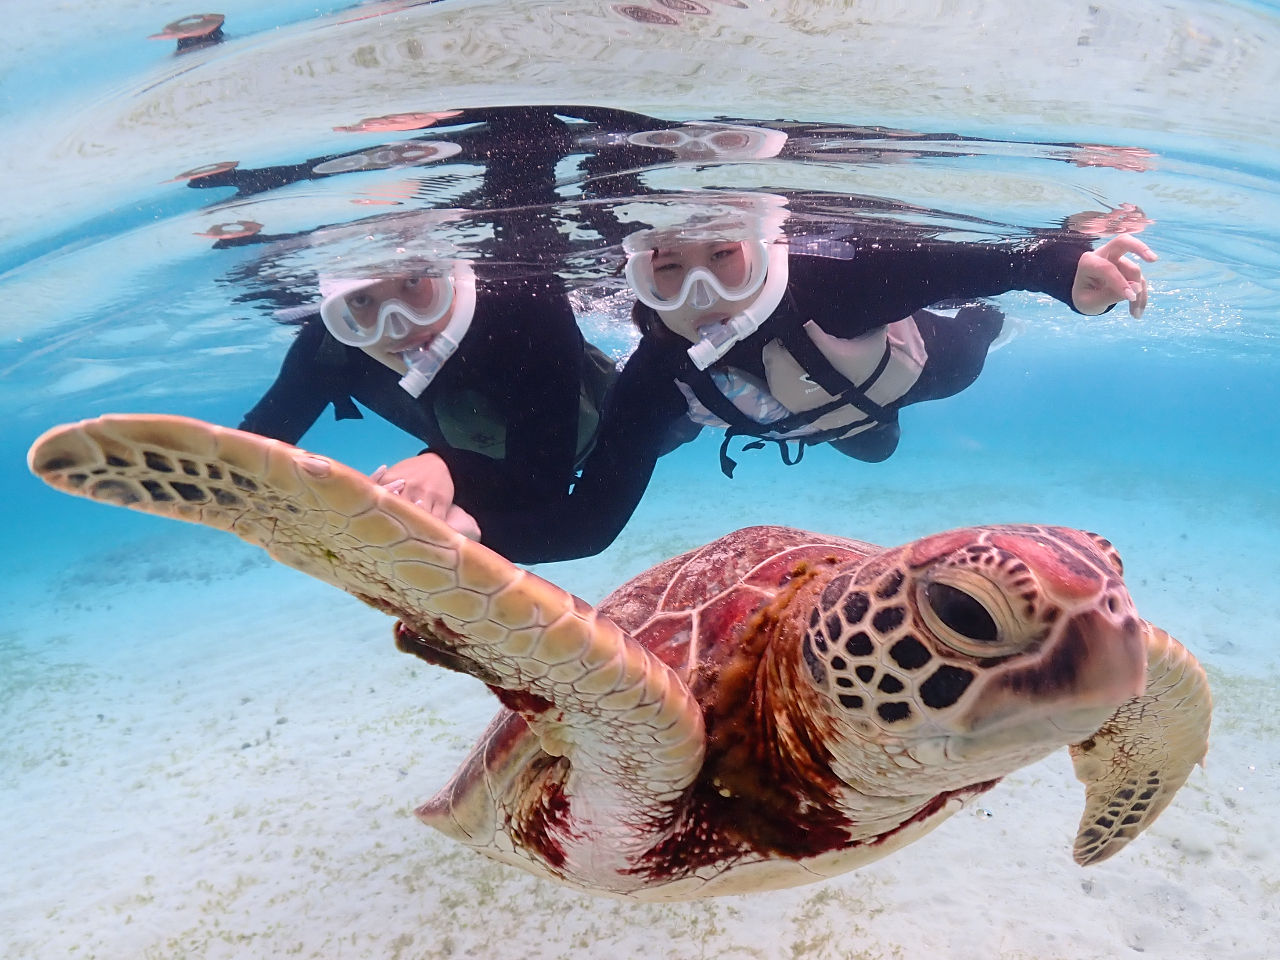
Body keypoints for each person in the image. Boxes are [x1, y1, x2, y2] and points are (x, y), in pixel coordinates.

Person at [372, 193, 1156, 564]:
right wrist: (477, 534)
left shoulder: (837, 287)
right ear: (635, 279)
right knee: (860, 447)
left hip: (911, 375)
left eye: (724, 260)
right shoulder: (655, 377)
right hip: (791, 417)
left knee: (964, 351)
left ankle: (970, 334)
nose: (702, 297)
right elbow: (589, 525)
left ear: (759, 244)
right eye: (667, 275)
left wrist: (1066, 271)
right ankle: (851, 431)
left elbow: (987, 261)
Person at [239, 259, 617, 545]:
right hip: (494, 464)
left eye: (413, 282)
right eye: (361, 299)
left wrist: (444, 466)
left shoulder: (525, 304)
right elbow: (244, 459)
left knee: (671, 425)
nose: (398, 326)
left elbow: (542, 489)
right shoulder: (328, 349)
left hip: (598, 426)